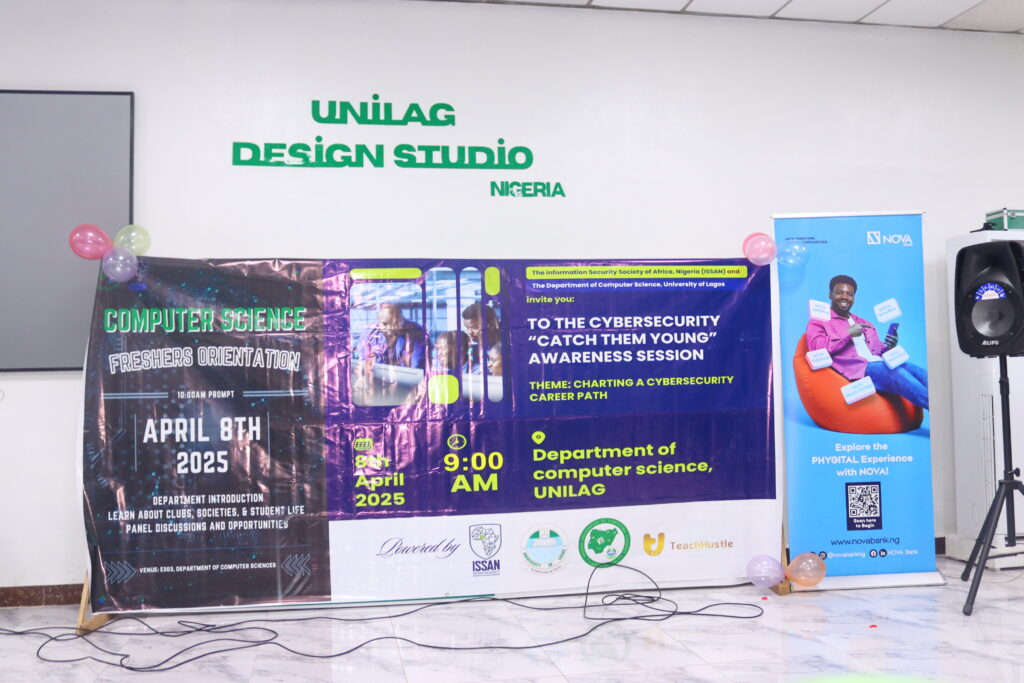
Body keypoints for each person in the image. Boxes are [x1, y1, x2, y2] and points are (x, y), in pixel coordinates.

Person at [805, 275, 928, 410]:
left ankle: (942, 405)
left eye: (850, 294)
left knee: (922, 374)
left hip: (880, 363)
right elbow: (817, 350)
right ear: (830, 295)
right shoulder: (819, 321)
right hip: (861, 370)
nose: (845, 297)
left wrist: (890, 346)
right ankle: (938, 408)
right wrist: (848, 333)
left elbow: (878, 351)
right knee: (898, 374)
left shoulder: (864, 322)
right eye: (839, 292)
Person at [355, 303, 426, 402]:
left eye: (395, 323)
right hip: (378, 379)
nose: (390, 328)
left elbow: (417, 366)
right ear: (379, 323)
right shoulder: (369, 333)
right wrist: (363, 380)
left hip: (405, 379)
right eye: (385, 324)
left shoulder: (417, 331)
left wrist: (413, 388)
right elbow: (364, 361)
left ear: (401, 319)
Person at [461, 301, 500, 373]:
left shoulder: (508, 347)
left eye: (474, 328)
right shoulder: (475, 350)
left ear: (491, 325)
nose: (469, 332)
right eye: (467, 328)